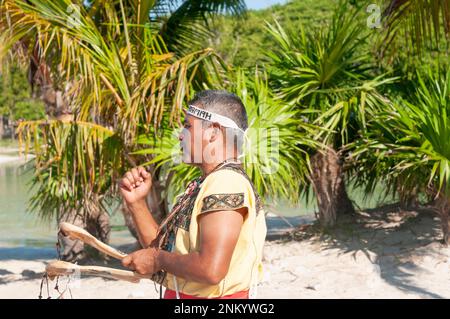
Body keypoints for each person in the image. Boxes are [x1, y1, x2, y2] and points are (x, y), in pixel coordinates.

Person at [119, 90, 267, 299]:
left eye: (188, 126)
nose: (180, 134)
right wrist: (136, 203)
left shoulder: (226, 182)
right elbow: (162, 249)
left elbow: (211, 270)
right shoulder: (206, 183)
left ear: (213, 132)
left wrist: (158, 260)